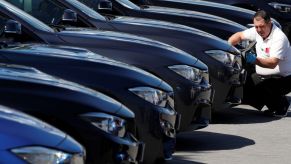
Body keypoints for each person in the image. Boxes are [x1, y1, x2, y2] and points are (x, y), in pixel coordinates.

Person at [228, 10, 291, 117]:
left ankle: (282, 104)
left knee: (264, 86)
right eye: (256, 26)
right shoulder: (257, 31)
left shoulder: (279, 38)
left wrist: (254, 60)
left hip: (284, 78)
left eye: (261, 26)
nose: (259, 30)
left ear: (269, 23)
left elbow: (272, 63)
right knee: (244, 83)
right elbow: (238, 36)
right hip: (265, 75)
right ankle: (272, 105)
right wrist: (227, 48)